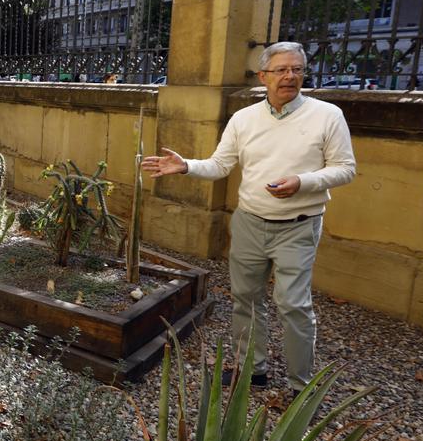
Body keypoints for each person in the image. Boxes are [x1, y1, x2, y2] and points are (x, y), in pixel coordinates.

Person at [140, 41, 356, 393]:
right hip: (250, 223)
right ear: (263, 76)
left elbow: (345, 169)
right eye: (282, 70)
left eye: (297, 70)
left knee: (294, 306)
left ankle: (300, 387)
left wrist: (303, 182)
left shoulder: (327, 116)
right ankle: (252, 371)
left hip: (298, 226)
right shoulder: (244, 118)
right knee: (246, 299)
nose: (290, 76)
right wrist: (186, 166)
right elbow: (221, 165)